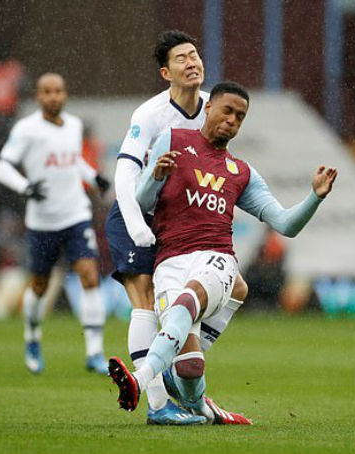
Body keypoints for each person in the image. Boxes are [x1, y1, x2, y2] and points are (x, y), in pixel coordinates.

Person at [108, 81, 338, 424]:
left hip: (216, 259)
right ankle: (203, 408)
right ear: (209, 108)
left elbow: (286, 224)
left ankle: (138, 383)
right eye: (227, 111)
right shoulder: (173, 140)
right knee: (189, 369)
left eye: (240, 116)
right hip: (169, 262)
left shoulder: (241, 172)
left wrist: (315, 197)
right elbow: (141, 203)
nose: (232, 120)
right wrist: (155, 177)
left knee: (191, 299)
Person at [105, 30, 248, 425]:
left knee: (235, 287)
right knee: (146, 299)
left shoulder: (212, 107)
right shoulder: (149, 115)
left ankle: (175, 365)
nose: (193, 62)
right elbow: (124, 175)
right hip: (137, 213)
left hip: (177, 218)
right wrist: (136, 224)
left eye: (195, 54)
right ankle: (156, 404)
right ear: (166, 72)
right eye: (182, 58)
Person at [0, 73, 111, 375]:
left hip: (75, 214)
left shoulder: (73, 126)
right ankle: (32, 337)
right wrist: (25, 187)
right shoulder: (26, 129)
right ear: (38, 96)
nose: (53, 96)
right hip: (42, 222)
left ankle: (94, 352)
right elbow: (2, 166)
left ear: (65, 94)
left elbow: (72, 161)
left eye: (58, 91)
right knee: (39, 285)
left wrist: (92, 176)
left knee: (89, 276)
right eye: (47, 91)